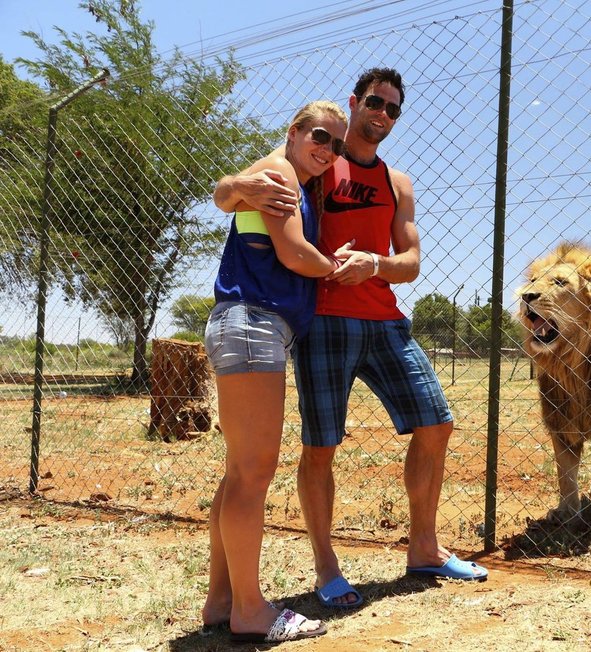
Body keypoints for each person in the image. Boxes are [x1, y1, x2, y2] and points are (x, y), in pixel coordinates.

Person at [213, 68, 488, 609]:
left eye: (392, 108)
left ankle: (425, 549)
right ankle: (326, 568)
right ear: (353, 103)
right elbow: (235, 189)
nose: (382, 113)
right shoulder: (316, 165)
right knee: (321, 447)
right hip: (323, 320)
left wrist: (375, 263)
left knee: (437, 423)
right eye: (374, 102)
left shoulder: (397, 183)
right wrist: (231, 188)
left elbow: (409, 263)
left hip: (384, 320)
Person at [201, 101, 352, 643]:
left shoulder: (279, 173)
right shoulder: (280, 172)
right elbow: (292, 254)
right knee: (252, 472)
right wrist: (338, 265)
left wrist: (229, 186)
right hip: (253, 324)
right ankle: (250, 611)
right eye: (319, 135)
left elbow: (226, 194)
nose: (327, 149)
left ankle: (222, 601)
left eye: (335, 144)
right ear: (293, 132)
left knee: (240, 471)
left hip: (250, 326)